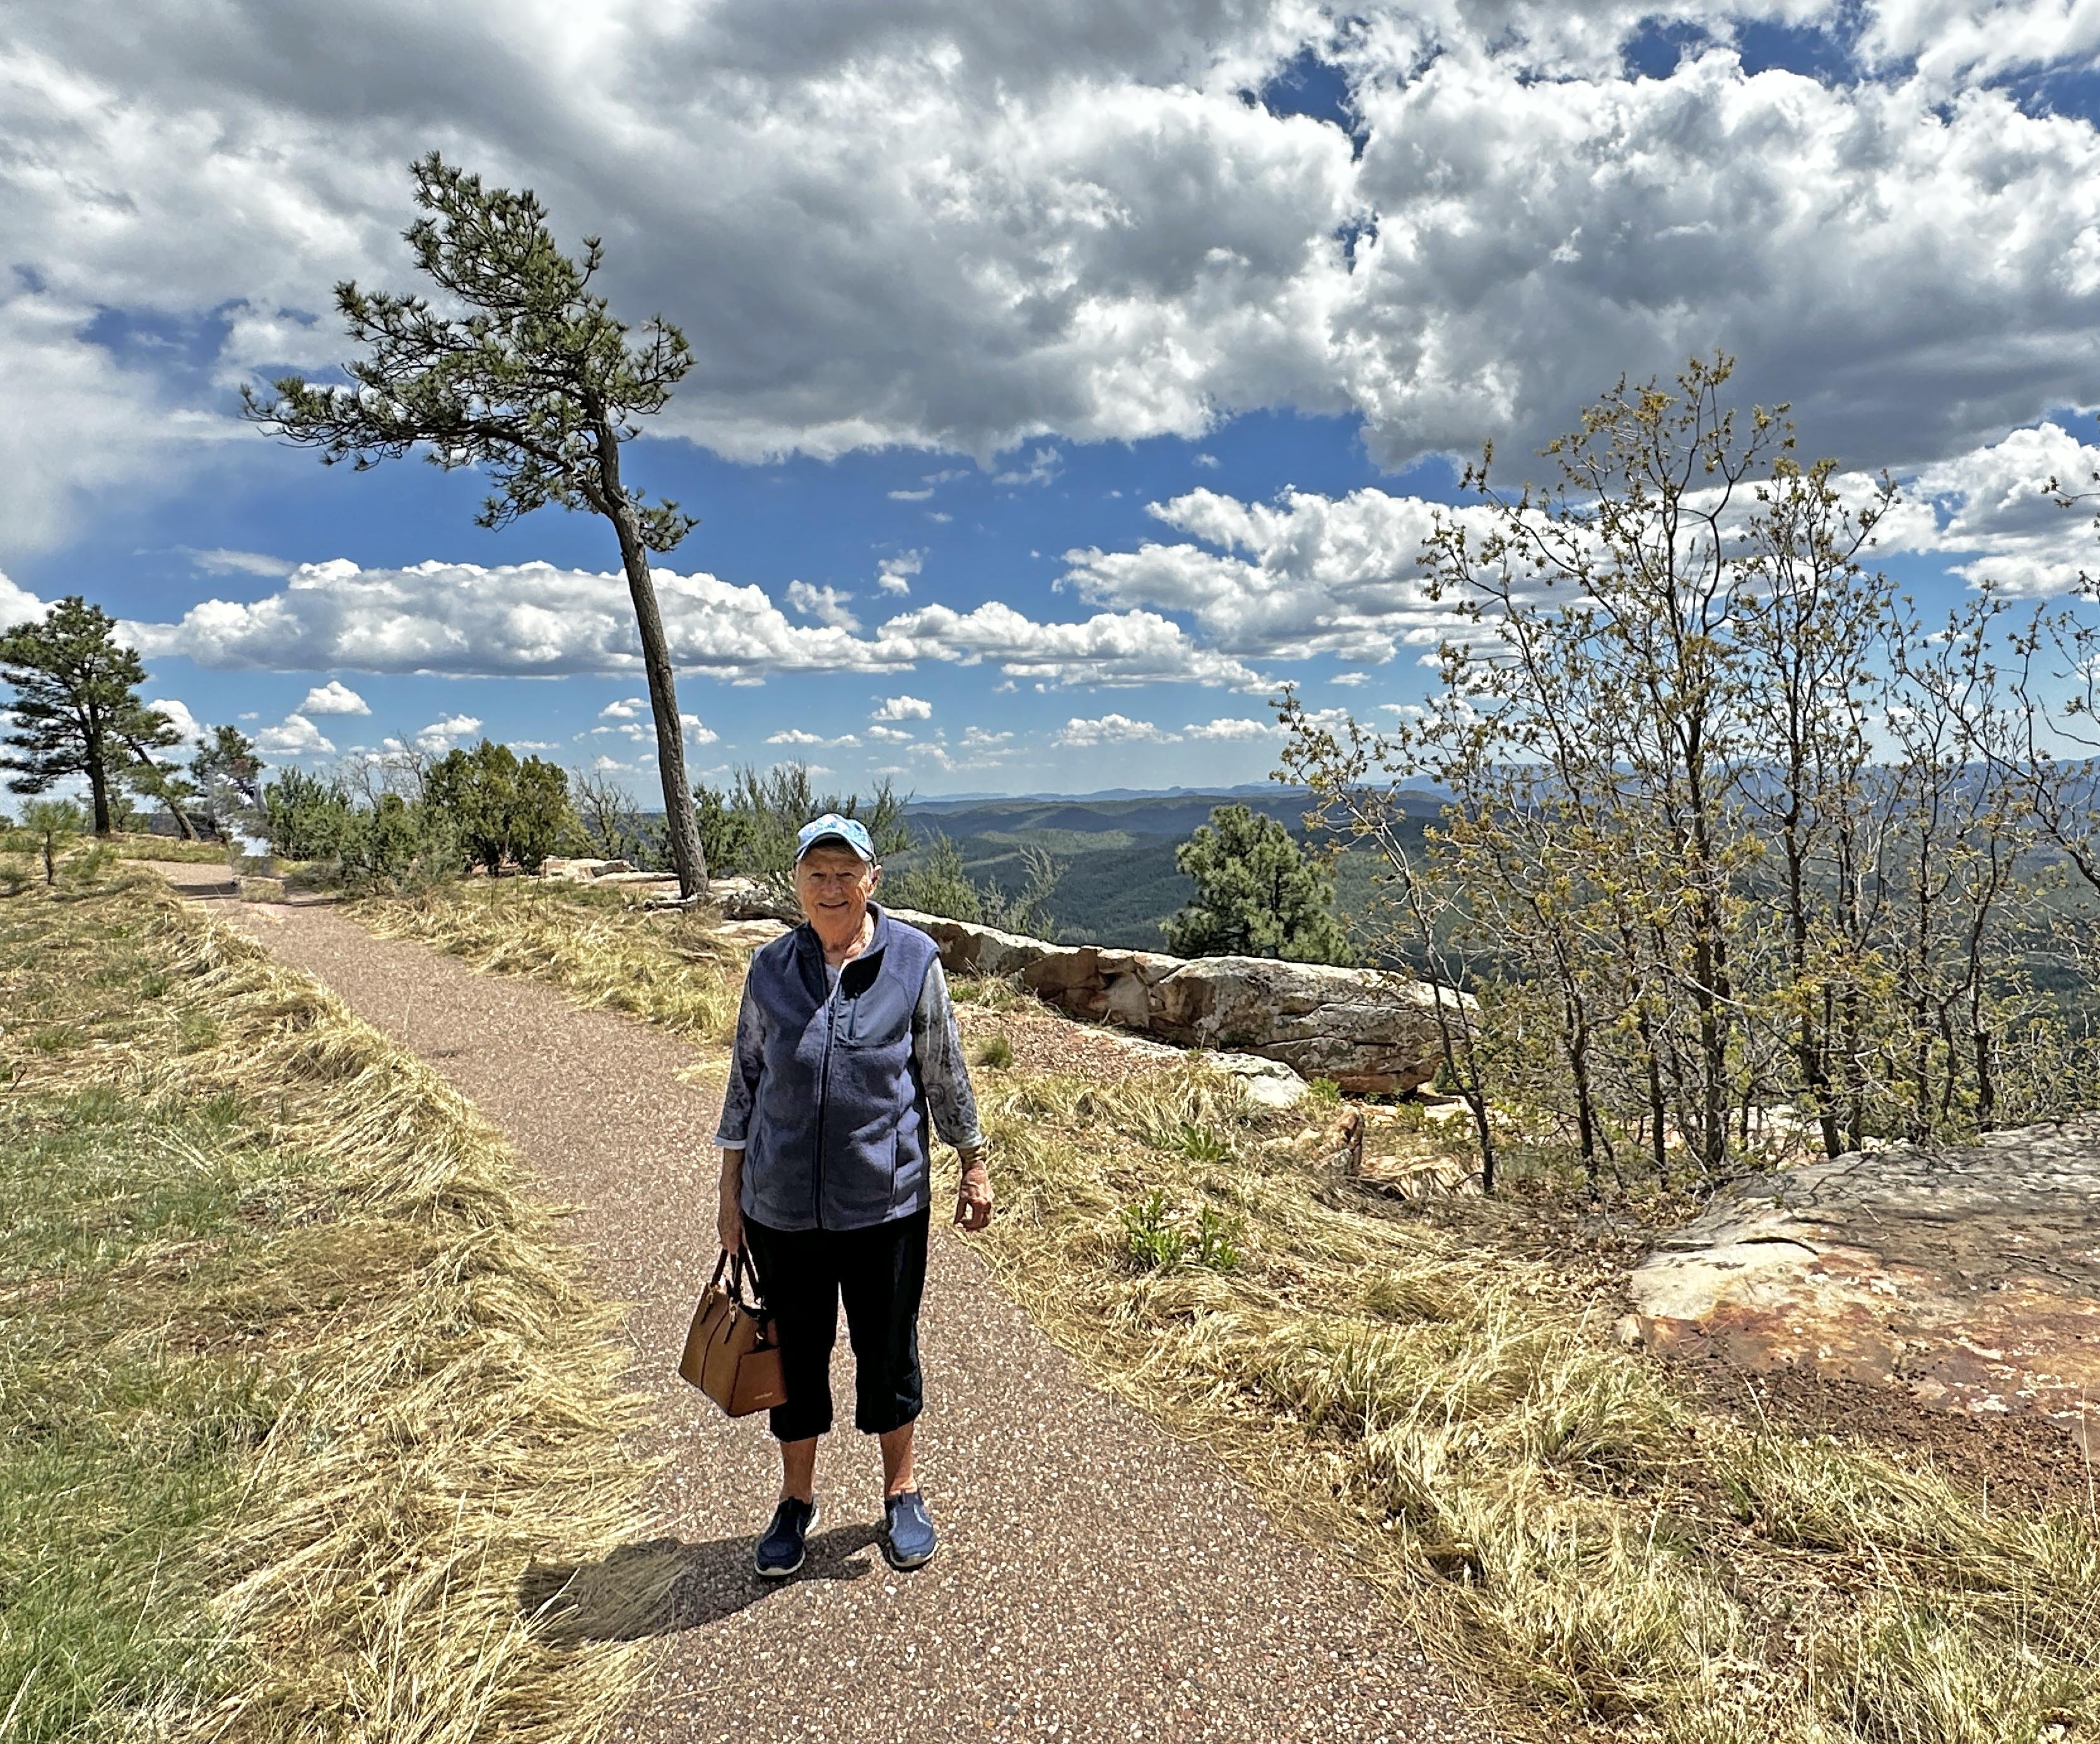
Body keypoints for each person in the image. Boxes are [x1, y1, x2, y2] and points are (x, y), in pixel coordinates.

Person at [712, 812, 993, 1577]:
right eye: (816, 874)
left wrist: (973, 1160)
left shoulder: (912, 961)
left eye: (846, 873)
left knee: (887, 1350)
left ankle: (899, 1490)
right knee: (795, 1359)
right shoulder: (770, 968)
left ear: (872, 881)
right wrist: (730, 1193)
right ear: (796, 884)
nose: (831, 887)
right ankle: (795, 1500)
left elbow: (942, 1069)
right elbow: (744, 1083)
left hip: (885, 1206)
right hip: (780, 1209)